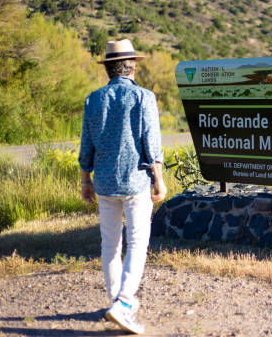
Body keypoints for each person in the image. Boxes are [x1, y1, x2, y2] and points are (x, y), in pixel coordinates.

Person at [78, 39, 167, 334]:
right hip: (135, 181)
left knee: (110, 245)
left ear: (109, 68)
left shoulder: (93, 99)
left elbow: (86, 145)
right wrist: (159, 180)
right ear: (133, 66)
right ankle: (124, 304)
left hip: (104, 182)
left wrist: (85, 182)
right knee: (138, 242)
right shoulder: (144, 97)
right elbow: (151, 144)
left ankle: (117, 301)